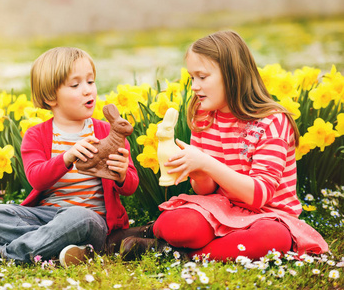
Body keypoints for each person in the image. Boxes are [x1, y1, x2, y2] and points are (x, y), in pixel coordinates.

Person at [120, 30, 328, 262]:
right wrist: (199, 173)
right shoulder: (204, 116)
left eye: (203, 77)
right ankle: (174, 242)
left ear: (233, 75)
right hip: (221, 208)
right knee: (176, 224)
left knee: (271, 239)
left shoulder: (272, 122)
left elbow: (259, 195)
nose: (195, 86)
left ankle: (174, 254)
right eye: (192, 78)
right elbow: (205, 190)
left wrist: (207, 163)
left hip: (269, 216)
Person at [0, 47, 139, 266]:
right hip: (46, 216)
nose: (88, 90)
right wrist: (66, 158)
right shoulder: (36, 135)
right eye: (75, 85)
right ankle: (65, 249)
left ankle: (6, 256)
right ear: (51, 96)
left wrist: (120, 175)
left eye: (90, 81)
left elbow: (130, 186)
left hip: (92, 221)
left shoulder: (107, 132)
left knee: (78, 217)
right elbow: (36, 179)